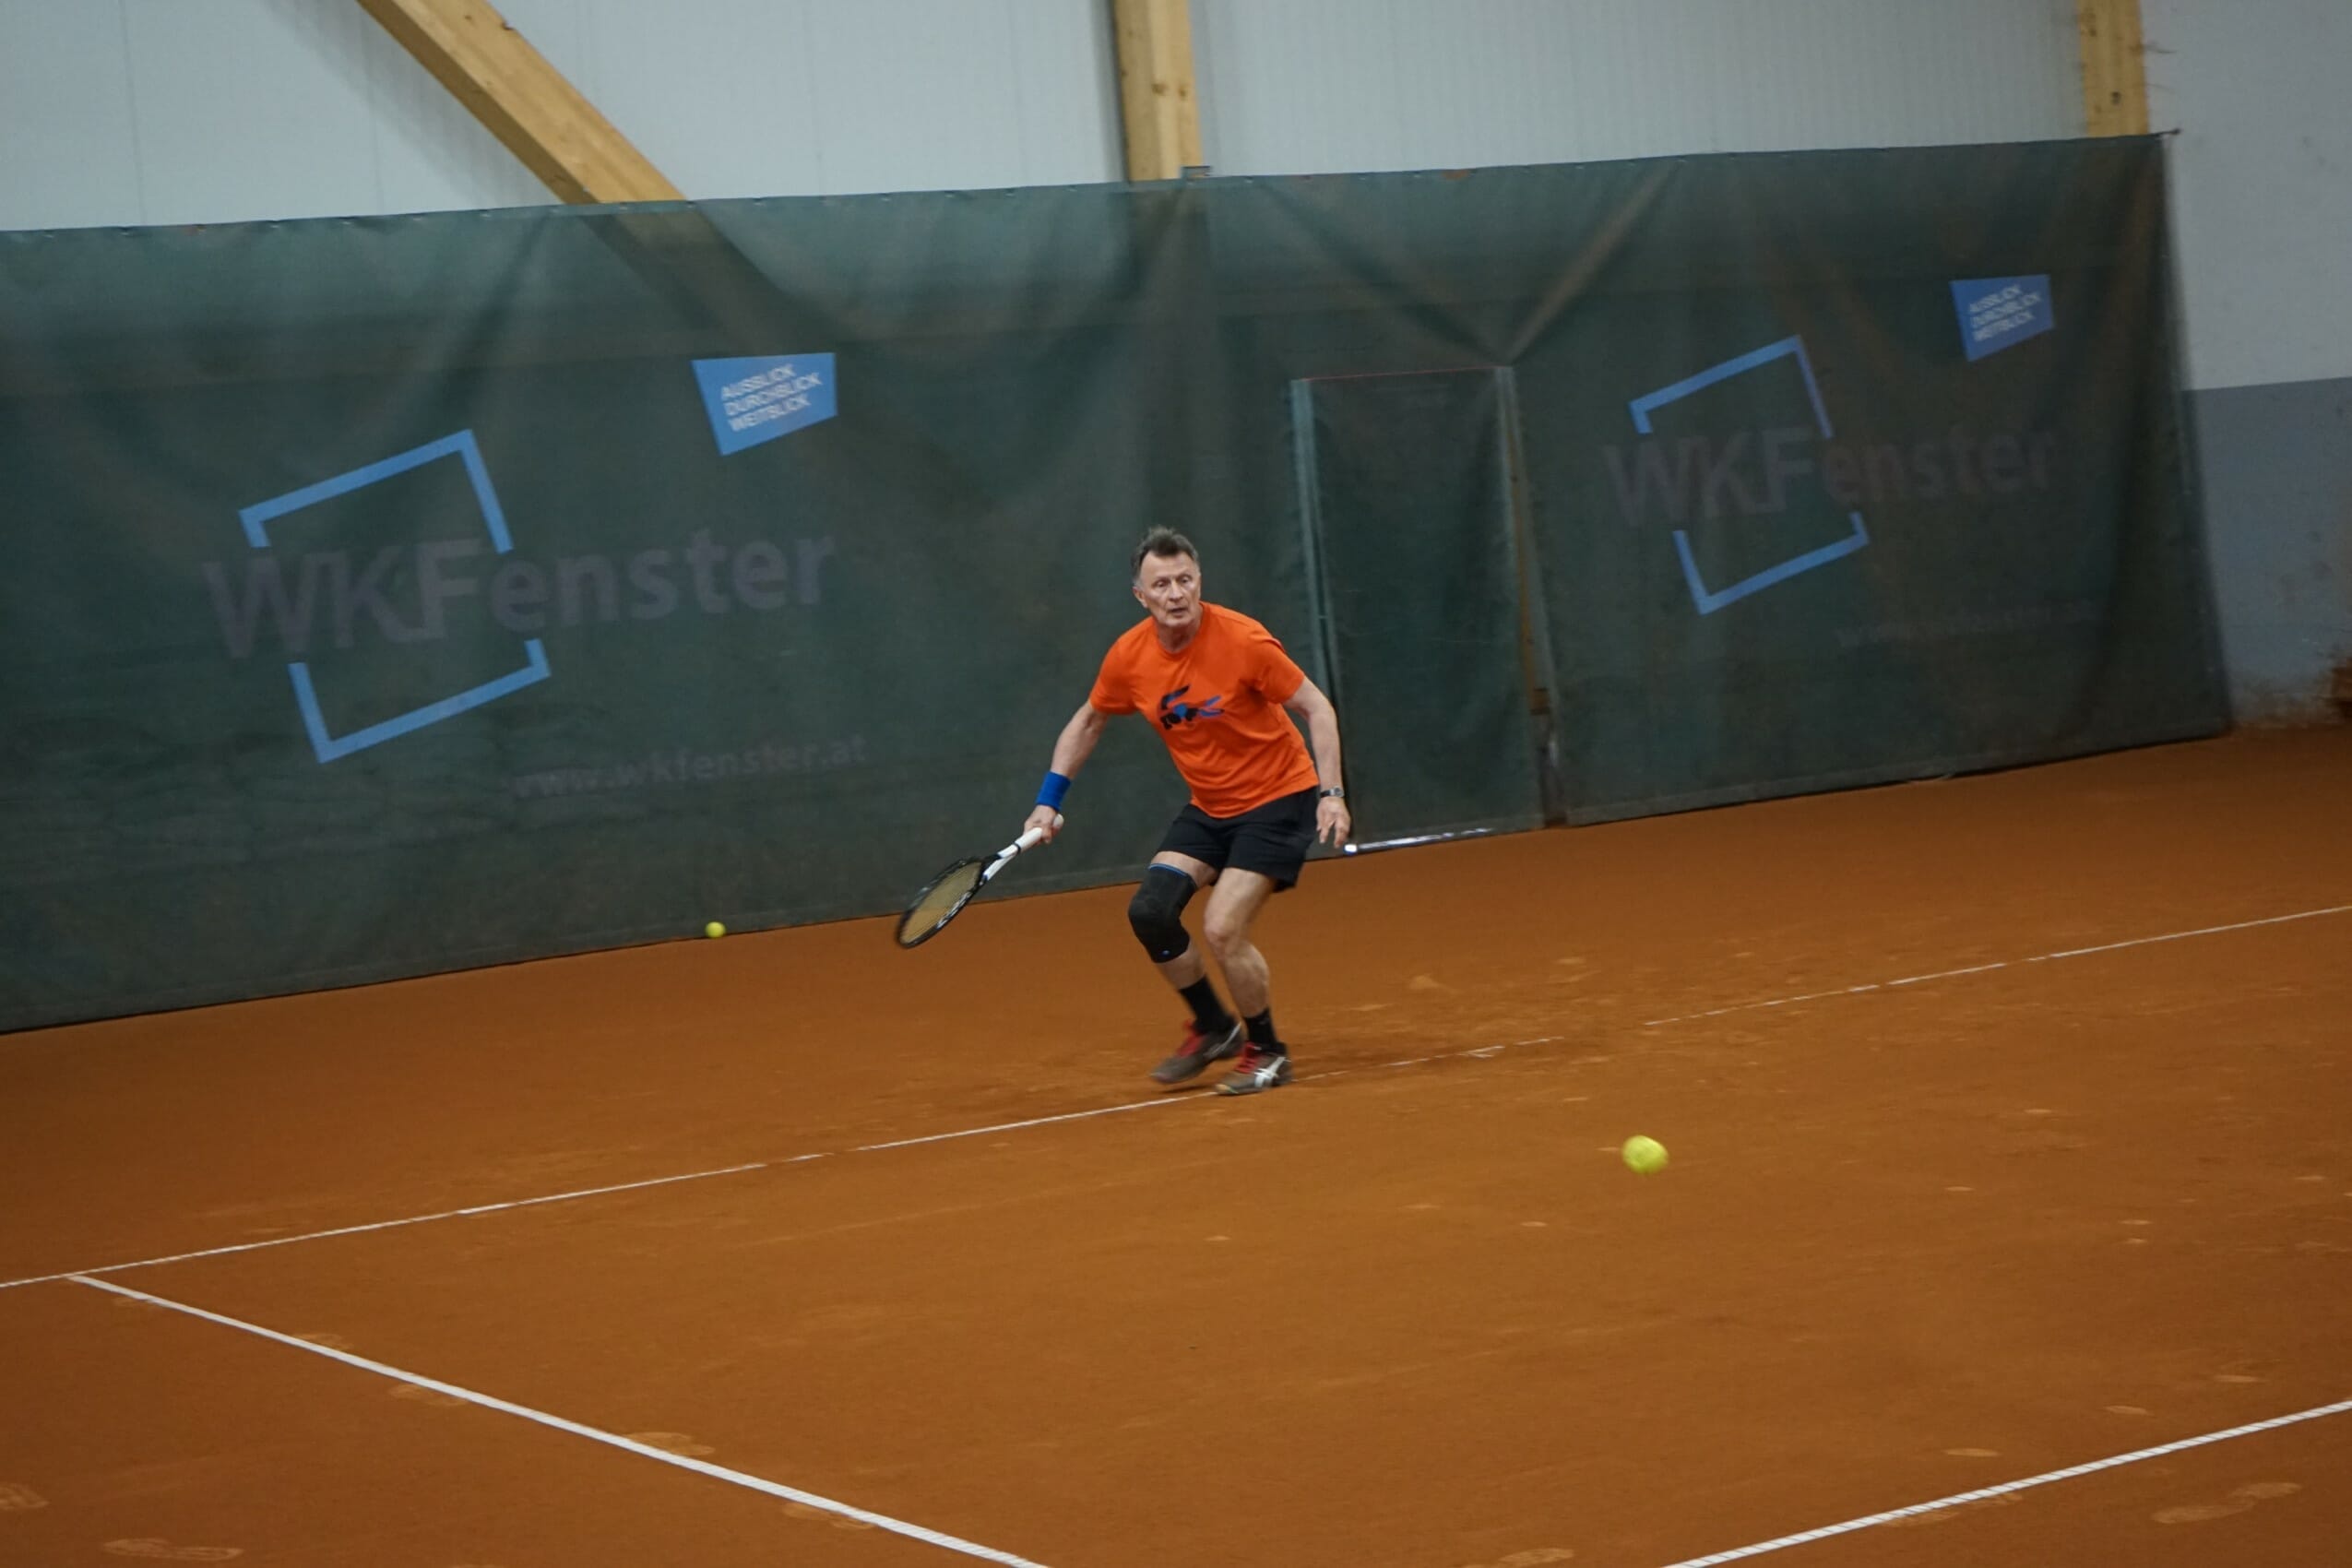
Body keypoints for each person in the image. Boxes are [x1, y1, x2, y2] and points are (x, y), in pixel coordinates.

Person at [1025, 529, 1349, 1095]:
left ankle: (1268, 1052)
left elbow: (1316, 707)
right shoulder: (1129, 656)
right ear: (1140, 596)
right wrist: (1047, 802)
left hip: (1279, 798)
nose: (1175, 594)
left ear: (1199, 582)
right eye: (1161, 585)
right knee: (1150, 912)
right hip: (1212, 806)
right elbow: (1090, 720)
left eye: (1185, 580)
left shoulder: (1243, 640)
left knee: (1223, 929)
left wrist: (1333, 793)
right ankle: (1214, 1026)